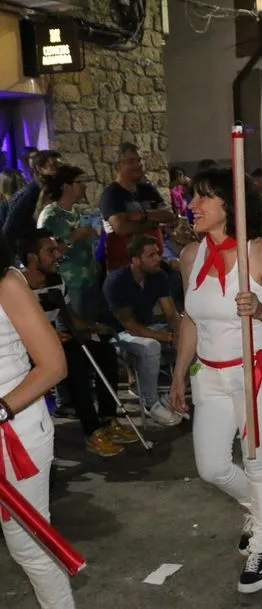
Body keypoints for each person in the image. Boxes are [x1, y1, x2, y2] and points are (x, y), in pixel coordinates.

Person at [168, 167, 262, 593]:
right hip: (208, 375)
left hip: (254, 371)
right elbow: (191, 319)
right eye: (192, 197)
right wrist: (179, 373)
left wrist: (261, 310)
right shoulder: (191, 256)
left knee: (258, 462)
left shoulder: (260, 253)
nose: (192, 205)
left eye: (203, 197)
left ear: (230, 204)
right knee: (211, 467)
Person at [0, 234, 74, 608]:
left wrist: (0, 409)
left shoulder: (7, 282)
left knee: (30, 546)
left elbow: (53, 365)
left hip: (16, 431)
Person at [20, 229, 137, 456]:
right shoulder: (18, 286)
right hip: (25, 350)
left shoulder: (55, 281)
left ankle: (108, 418)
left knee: (104, 350)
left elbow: (71, 319)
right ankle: (92, 432)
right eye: (50, 251)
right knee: (73, 362)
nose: (58, 255)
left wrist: (94, 326)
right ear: (32, 257)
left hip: (52, 342)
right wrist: (48, 336)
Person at [103, 235, 182, 427]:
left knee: (192, 338)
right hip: (120, 335)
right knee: (151, 346)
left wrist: (180, 335)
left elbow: (171, 313)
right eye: (151, 255)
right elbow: (130, 326)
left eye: (158, 253)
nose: (158, 259)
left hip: (149, 328)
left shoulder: (158, 276)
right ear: (136, 260)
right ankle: (151, 403)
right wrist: (169, 337)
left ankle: (172, 395)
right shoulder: (116, 282)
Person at [37, 165, 103, 323]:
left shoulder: (78, 211)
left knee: (92, 324)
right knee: (75, 325)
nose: (84, 186)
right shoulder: (51, 216)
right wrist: (73, 237)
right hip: (69, 283)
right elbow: (46, 253)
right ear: (65, 186)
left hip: (89, 278)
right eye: (79, 182)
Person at [100, 142, 175, 272]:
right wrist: (153, 221)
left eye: (139, 160)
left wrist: (143, 215)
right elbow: (122, 228)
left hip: (153, 265)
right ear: (118, 166)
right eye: (131, 161)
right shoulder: (112, 194)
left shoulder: (148, 189)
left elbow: (169, 215)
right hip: (124, 269)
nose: (138, 165)